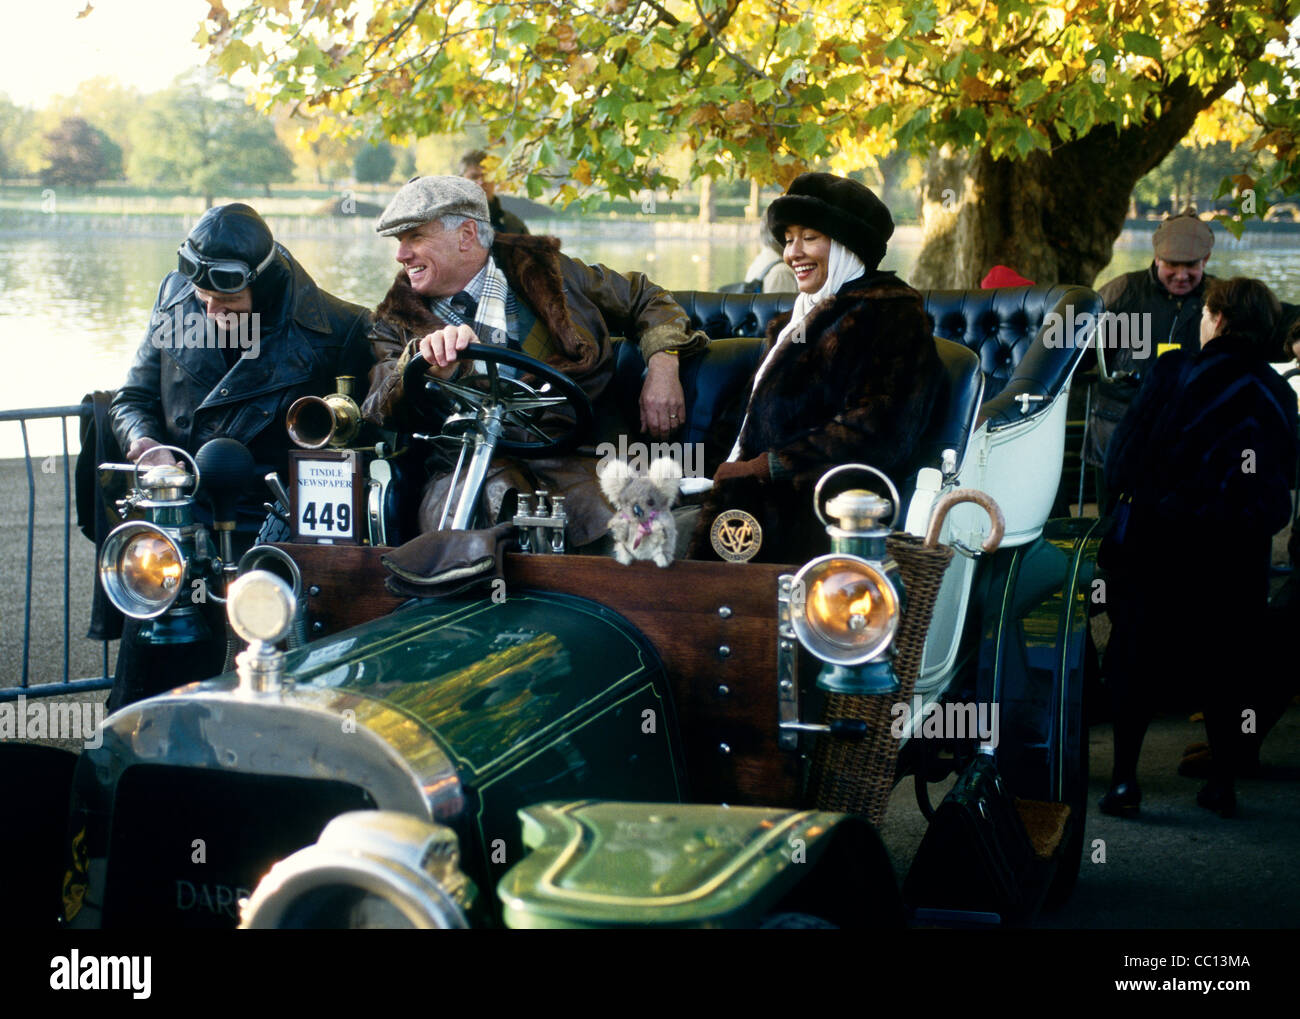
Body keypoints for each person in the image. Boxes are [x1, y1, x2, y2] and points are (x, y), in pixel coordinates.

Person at [106, 203, 373, 708]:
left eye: (225, 302)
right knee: (148, 692)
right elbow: (133, 399)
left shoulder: (342, 329)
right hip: (180, 522)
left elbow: (359, 445)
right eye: (202, 300)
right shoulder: (175, 298)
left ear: (264, 286)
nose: (209, 312)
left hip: (277, 534)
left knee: (263, 694)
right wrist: (145, 443)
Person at [361, 175, 706, 547]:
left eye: (415, 237)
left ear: (466, 235)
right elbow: (377, 406)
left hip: (576, 459)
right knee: (470, 539)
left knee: (632, 545)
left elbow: (647, 298)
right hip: (464, 471)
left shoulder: (553, 274)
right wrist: (421, 364)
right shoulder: (394, 321)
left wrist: (663, 366)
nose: (401, 255)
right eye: (399, 241)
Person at [1099, 277, 1299, 819]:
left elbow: (1124, 457)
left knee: (1134, 660)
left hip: (1160, 544)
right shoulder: (1277, 392)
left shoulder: (1174, 370)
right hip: (1238, 557)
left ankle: (1123, 783)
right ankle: (1222, 785)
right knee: (1229, 667)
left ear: (1214, 317)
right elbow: (1286, 475)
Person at [691, 172, 944, 564]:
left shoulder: (889, 313)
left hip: (818, 512)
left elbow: (878, 431)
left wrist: (768, 467)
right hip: (747, 498)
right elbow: (748, 418)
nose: (793, 253)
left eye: (809, 238)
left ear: (847, 246)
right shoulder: (797, 319)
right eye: (789, 239)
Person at [1084, 209, 1216, 502]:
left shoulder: (1219, 299)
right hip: (1119, 435)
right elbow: (1070, 347)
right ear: (1156, 258)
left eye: (1191, 265)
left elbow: (1270, 322)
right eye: (1172, 264)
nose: (1181, 275)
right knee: (1116, 529)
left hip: (1191, 438)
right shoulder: (1122, 292)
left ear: (1205, 260)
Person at [460, 150, 529, 235]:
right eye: (474, 177)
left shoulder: (514, 225)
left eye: (487, 176)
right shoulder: (448, 224)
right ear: (461, 181)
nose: (481, 182)